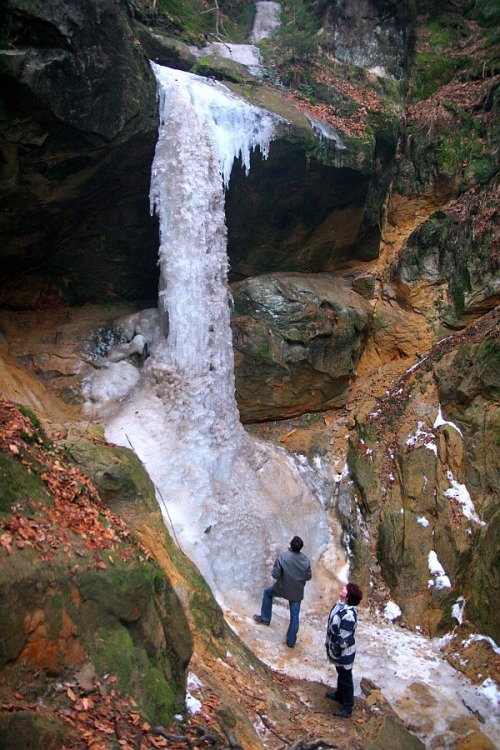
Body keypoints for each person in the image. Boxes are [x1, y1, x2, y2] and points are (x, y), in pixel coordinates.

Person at [253, 536, 312, 648]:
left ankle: (265, 618)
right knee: (294, 615)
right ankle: (291, 641)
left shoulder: (283, 557)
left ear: (290, 544)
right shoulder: (306, 560)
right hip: (297, 592)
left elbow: (275, 574)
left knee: (267, 593)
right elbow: (308, 577)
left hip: (282, 588)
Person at [325, 582, 363, 718]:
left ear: (348, 596)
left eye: (345, 589)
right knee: (341, 672)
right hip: (337, 649)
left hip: (344, 652)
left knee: (346, 677)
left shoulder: (348, 615)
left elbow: (344, 639)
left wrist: (335, 649)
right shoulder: (340, 605)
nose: (342, 588)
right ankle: (339, 695)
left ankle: (347, 706)